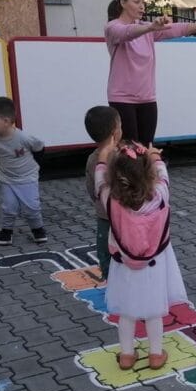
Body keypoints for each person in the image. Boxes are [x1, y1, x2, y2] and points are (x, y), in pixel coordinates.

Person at [93, 139, 188, 371]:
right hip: (154, 264)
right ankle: (156, 354)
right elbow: (164, 175)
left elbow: (99, 180)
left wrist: (103, 158)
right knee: (154, 311)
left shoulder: (111, 199)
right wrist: (155, 156)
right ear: (148, 173)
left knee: (126, 312)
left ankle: (126, 355)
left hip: (123, 264)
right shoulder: (160, 194)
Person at [105, 0, 196, 145]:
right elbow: (126, 33)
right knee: (129, 149)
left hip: (147, 98)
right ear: (123, 3)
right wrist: (150, 27)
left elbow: (177, 29)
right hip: (122, 99)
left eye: (143, 2)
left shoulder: (146, 29)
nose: (142, 6)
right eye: (136, 2)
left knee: (147, 148)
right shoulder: (113, 27)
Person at [0, 96, 46, 246]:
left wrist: (36, 165)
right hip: (7, 180)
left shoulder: (23, 137)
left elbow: (39, 147)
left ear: (6, 121)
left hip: (27, 178)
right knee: (9, 207)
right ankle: (6, 230)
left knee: (32, 207)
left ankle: (37, 228)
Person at [83, 106, 122, 281]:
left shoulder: (93, 159)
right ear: (115, 131)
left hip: (104, 215)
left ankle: (109, 279)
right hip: (125, 214)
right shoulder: (123, 156)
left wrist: (99, 202)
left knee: (104, 250)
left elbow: (91, 187)